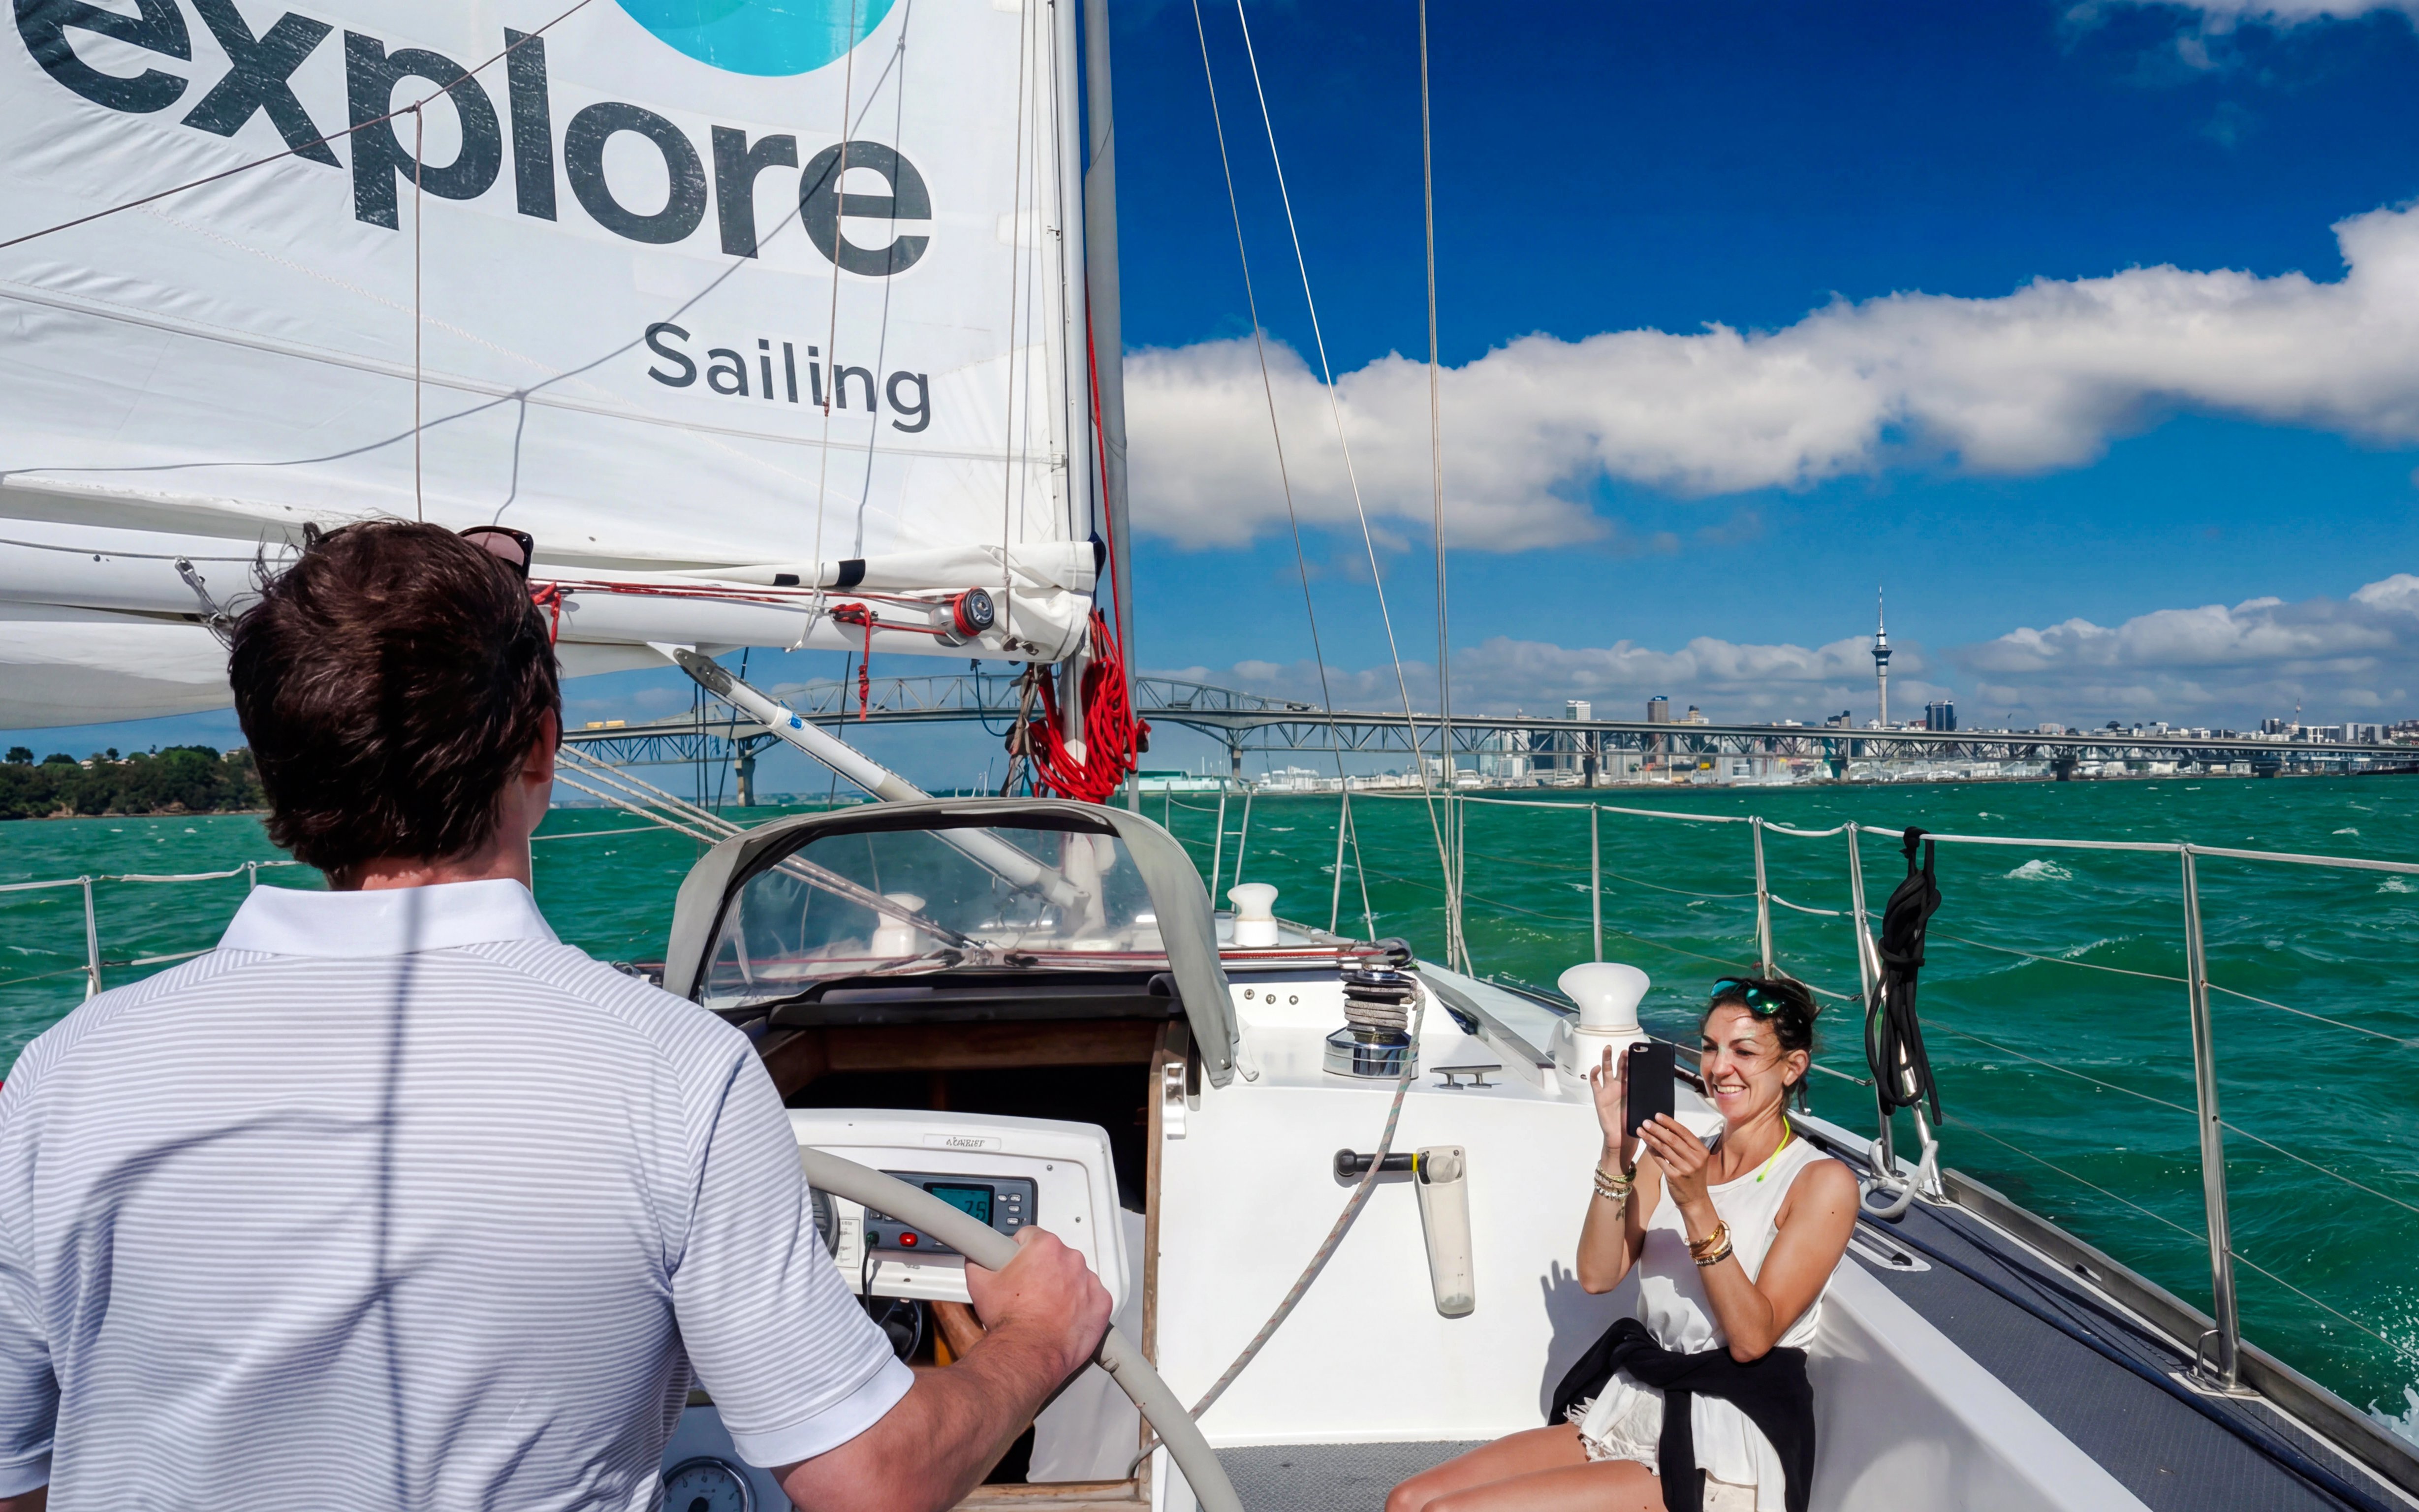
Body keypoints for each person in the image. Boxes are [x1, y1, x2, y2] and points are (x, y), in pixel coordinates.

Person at [0, 521, 1111, 1512]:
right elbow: (874, 1480)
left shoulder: (63, 1075)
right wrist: (1033, 1338)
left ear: (277, 771)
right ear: (541, 745)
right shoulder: (677, 1075)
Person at [1387, 977, 1857, 1512]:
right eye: (1709, 1047)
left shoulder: (1820, 1182)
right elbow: (1598, 1275)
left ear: (1792, 1068)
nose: (1719, 1067)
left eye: (1744, 1052)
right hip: (1633, 1404)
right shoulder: (1669, 1156)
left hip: (1723, 1437)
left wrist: (1696, 1205)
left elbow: (1752, 1339)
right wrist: (1616, 1151)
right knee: (1408, 1501)